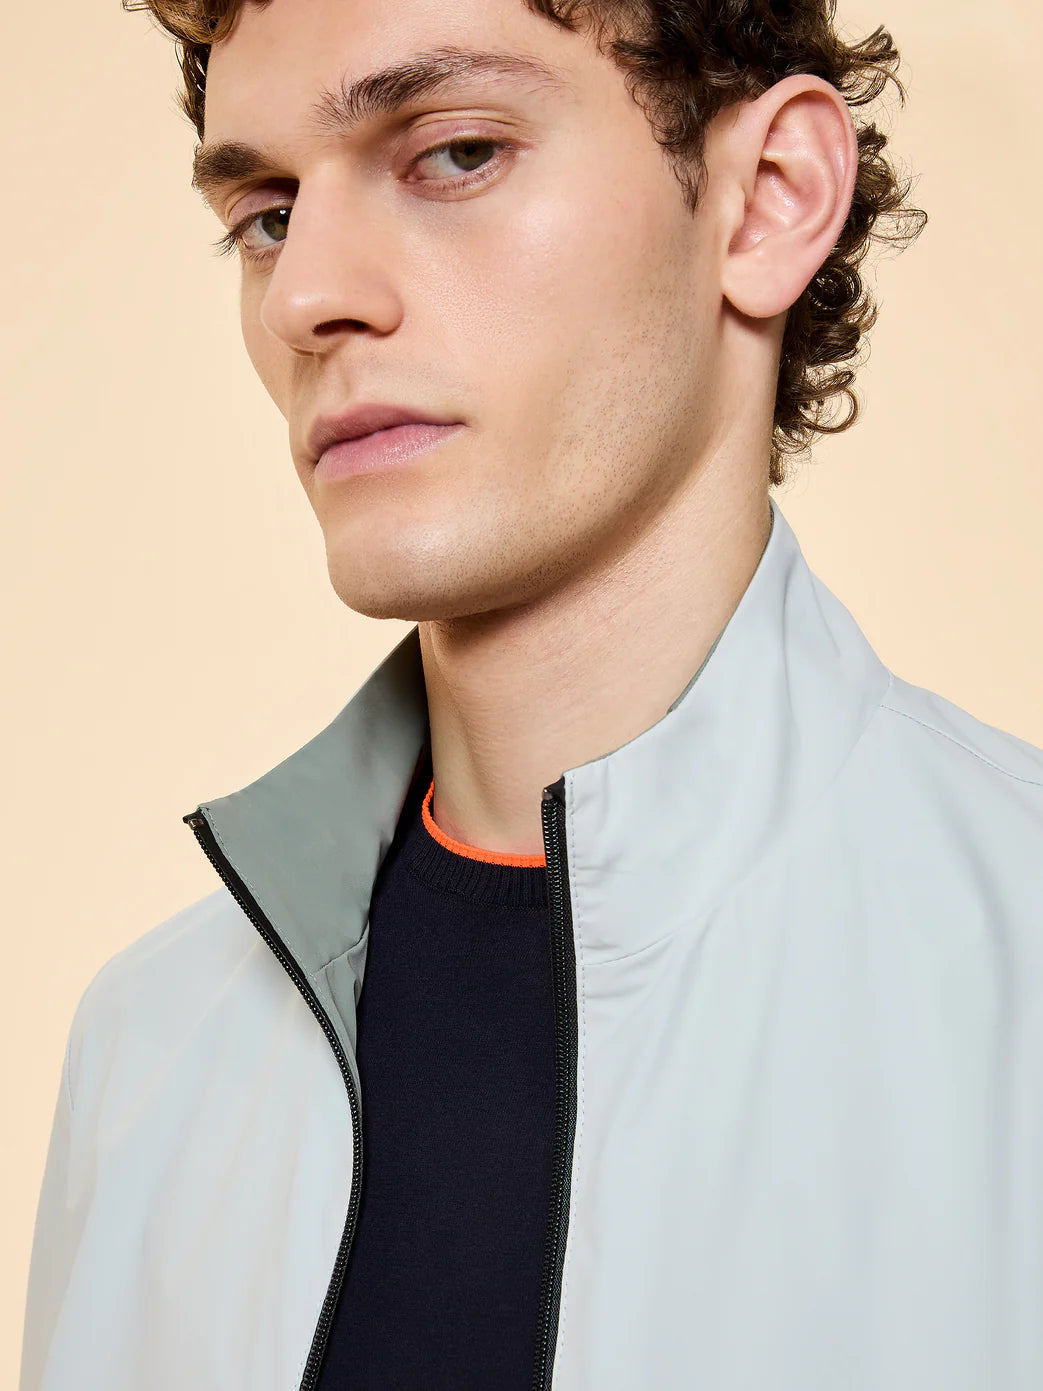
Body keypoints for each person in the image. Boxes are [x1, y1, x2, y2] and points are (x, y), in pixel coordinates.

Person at [19, 0, 1043, 1387]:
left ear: (768, 199)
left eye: (453, 155)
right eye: (268, 213)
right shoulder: (149, 1057)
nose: (306, 296)